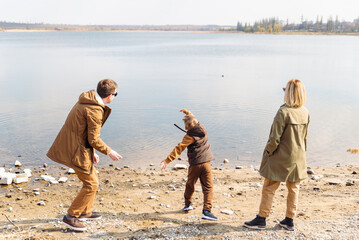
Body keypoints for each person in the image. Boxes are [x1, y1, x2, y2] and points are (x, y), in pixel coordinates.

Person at [47, 79, 122, 232]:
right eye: (116, 94)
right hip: (75, 150)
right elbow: (94, 139)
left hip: (78, 146)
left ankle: (85, 212)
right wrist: (109, 151)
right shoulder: (94, 110)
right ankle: (70, 217)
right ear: (109, 96)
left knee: (92, 177)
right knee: (91, 184)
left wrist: (92, 152)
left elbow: (85, 132)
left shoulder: (87, 100)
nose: (114, 97)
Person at [244, 79, 310, 231]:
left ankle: (261, 218)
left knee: (269, 187)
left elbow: (274, 139)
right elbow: (305, 137)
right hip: (298, 156)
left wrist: (267, 153)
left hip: (281, 157)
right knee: (294, 189)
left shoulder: (283, 112)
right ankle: (289, 220)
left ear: (288, 93)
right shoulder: (305, 112)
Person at [160, 109, 217, 221]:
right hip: (206, 163)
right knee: (208, 187)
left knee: (190, 184)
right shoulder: (202, 128)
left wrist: (167, 160)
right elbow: (193, 118)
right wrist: (187, 113)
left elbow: (179, 148)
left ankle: (188, 204)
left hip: (195, 164)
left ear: (186, 128)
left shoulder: (189, 136)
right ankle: (207, 211)